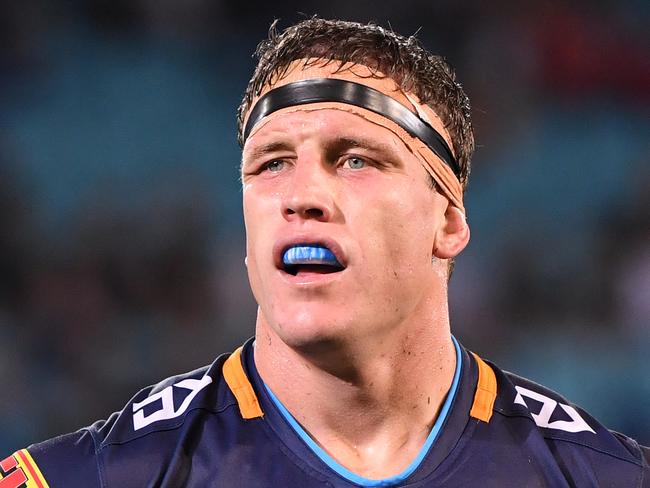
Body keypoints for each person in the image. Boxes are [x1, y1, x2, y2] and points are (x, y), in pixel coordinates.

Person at [2, 18, 648, 488]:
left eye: (357, 159)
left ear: (447, 221)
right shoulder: (107, 474)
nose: (302, 196)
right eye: (272, 163)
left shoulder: (595, 475)